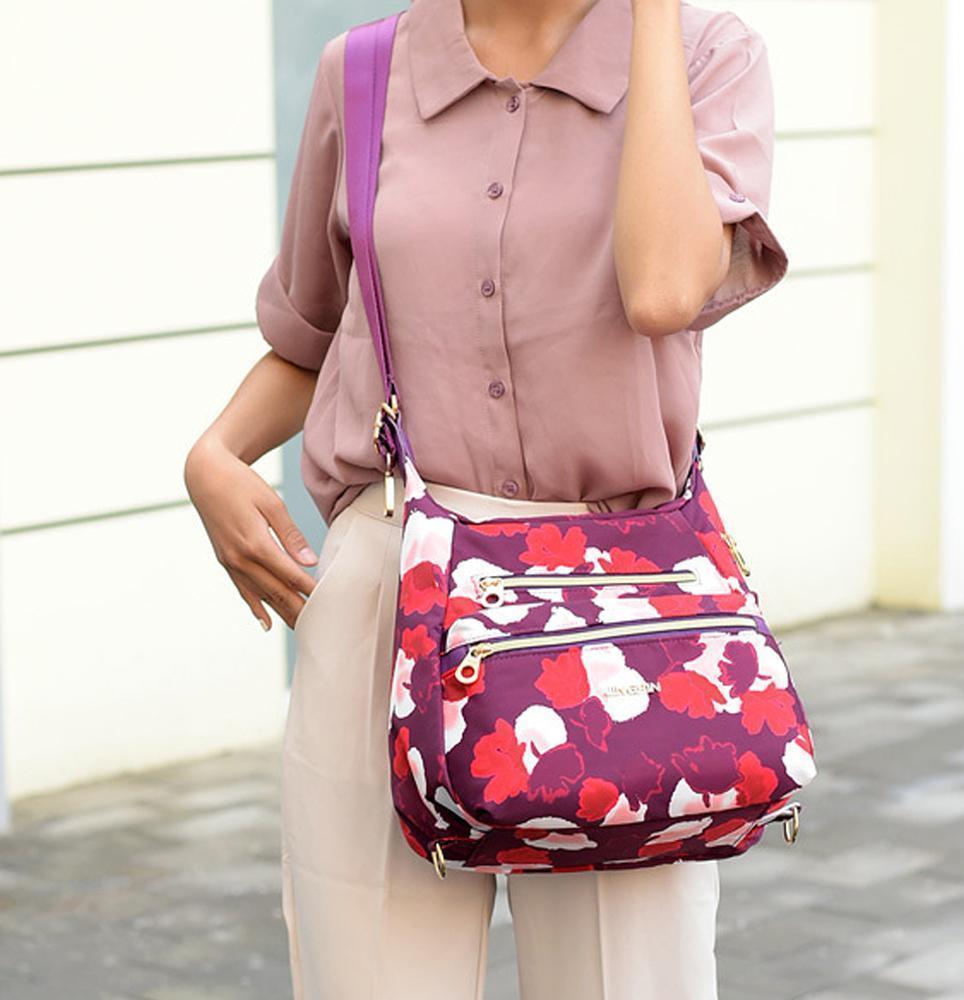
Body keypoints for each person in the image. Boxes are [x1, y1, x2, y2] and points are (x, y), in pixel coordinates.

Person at [184, 0, 789, 997]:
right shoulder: (363, 72)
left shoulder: (702, 55)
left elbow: (664, 290)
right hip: (389, 593)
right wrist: (214, 454)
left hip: (621, 615)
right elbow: (314, 333)